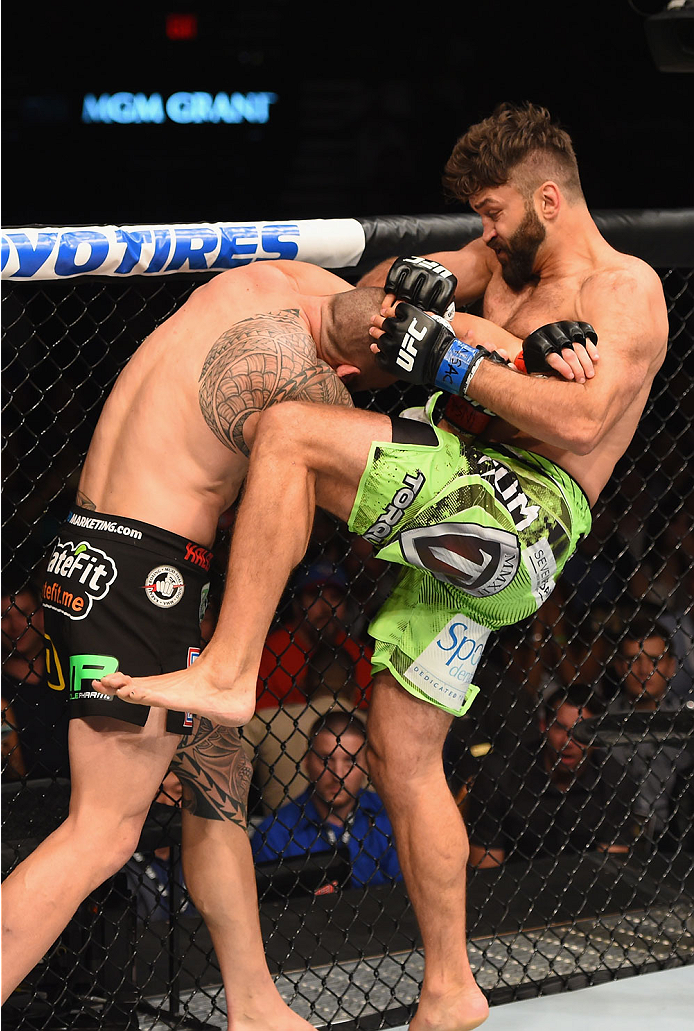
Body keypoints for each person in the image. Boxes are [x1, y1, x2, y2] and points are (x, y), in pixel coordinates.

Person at [96, 103, 669, 1031]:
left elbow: (578, 423)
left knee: (287, 435)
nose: (480, 232)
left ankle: (233, 665)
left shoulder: (625, 290)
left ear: (548, 199)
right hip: (467, 524)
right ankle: (451, 988)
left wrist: (455, 357)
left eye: (492, 211)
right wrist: (478, 329)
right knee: (403, 752)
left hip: (521, 517)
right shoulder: (496, 265)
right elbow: (375, 305)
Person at [0, 257, 397, 1031]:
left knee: (219, 781)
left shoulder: (274, 276)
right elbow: (361, 504)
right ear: (351, 365)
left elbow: (409, 277)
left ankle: (253, 1004)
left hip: (111, 559)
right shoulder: (309, 386)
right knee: (102, 833)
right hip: (144, 575)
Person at [465, 684, 634, 867]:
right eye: (560, 728)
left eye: (580, 732)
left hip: (586, 888)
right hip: (511, 888)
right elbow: (486, 873)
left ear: (599, 738)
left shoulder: (614, 780)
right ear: (544, 726)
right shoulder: (500, 775)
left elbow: (611, 873)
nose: (568, 742)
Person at [251, 711, 401, 889]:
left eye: (350, 760)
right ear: (306, 761)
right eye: (326, 759)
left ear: (366, 764)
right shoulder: (274, 835)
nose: (338, 774)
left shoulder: (392, 819)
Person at [607, 614, 693, 842]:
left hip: (680, 839)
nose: (644, 670)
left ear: (671, 666)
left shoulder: (688, 726)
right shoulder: (598, 726)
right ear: (619, 665)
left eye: (654, 661)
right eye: (634, 659)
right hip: (613, 835)